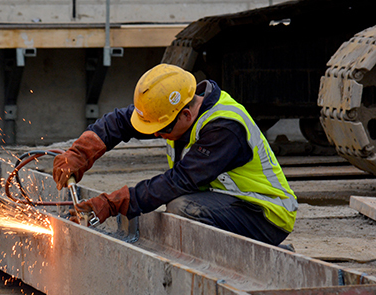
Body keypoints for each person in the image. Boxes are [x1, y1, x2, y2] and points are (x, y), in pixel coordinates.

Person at [53, 63, 297, 246]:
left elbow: (180, 181)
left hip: (264, 215)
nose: (157, 135)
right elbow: (120, 122)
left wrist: (114, 203)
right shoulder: (171, 110)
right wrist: (80, 152)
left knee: (182, 208)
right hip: (225, 200)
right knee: (181, 206)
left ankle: (228, 264)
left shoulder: (224, 128)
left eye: (162, 130)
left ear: (186, 116)